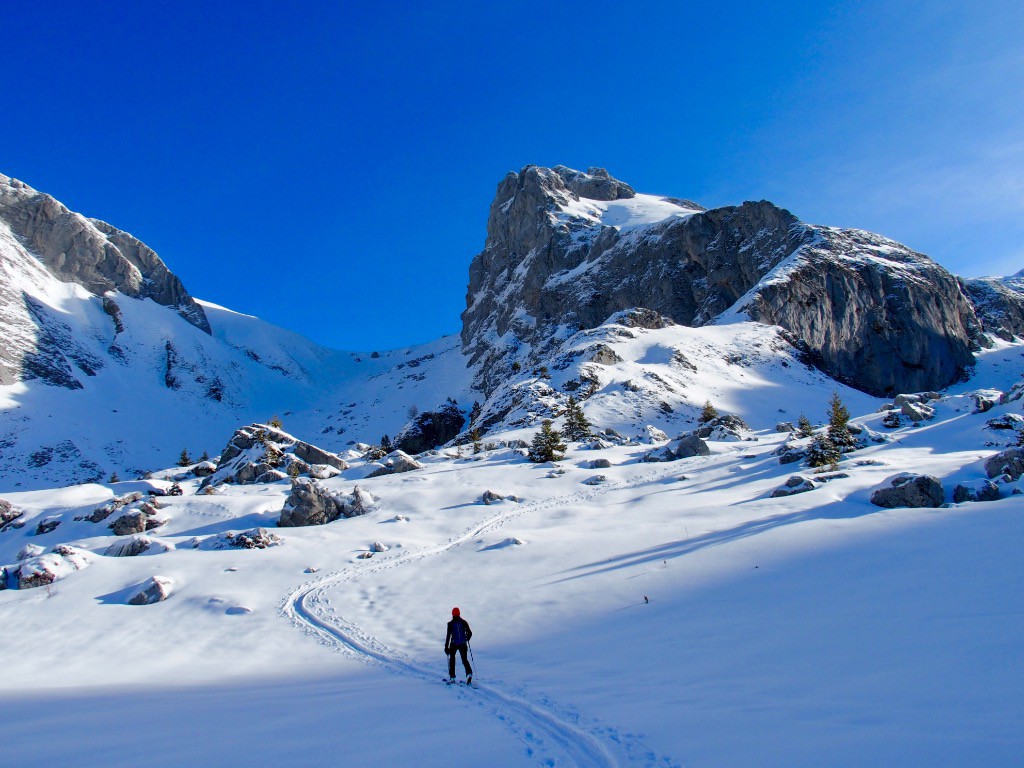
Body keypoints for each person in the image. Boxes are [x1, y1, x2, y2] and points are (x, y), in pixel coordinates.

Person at [445, 606, 473, 683]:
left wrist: (446, 647)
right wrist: (467, 638)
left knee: (452, 660)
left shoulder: (450, 624)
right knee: (464, 659)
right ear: (459, 613)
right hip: (463, 643)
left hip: (454, 644)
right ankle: (469, 674)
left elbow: (448, 636)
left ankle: (452, 677)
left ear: (452, 614)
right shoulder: (464, 622)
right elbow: (470, 633)